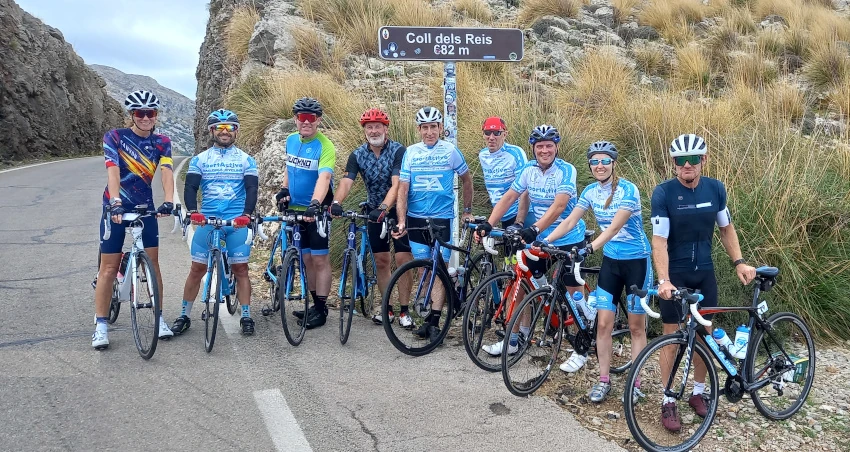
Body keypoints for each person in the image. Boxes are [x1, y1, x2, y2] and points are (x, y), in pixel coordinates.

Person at [650, 133, 756, 431]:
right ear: (674, 164)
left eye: (693, 160)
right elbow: (658, 241)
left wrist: (738, 262)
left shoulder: (716, 189)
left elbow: (726, 229)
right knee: (670, 336)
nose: (687, 165)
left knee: (704, 336)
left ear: (703, 160)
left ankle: (698, 393)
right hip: (677, 274)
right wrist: (664, 279)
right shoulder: (664, 193)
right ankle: (668, 399)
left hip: (705, 273)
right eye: (681, 161)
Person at [537, 141, 651, 402]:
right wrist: (545, 240)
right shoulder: (589, 191)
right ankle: (603, 380)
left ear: (613, 163)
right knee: (602, 324)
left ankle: (635, 384)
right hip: (611, 262)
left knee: (636, 327)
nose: (600, 166)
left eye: (605, 161)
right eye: (595, 161)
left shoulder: (627, 190)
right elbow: (569, 220)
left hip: (637, 262)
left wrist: (588, 248)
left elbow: (611, 230)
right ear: (590, 165)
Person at [476, 125, 586, 363]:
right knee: (521, 281)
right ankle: (514, 339)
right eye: (539, 147)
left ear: (556, 147)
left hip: (567, 238)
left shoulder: (566, 170)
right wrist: (488, 223)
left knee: (573, 293)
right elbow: (509, 197)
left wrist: (535, 228)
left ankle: (581, 347)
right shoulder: (528, 169)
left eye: (549, 146)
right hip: (540, 239)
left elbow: (559, 207)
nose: (544, 150)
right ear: (533, 149)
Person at [93, 90, 175, 349]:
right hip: (115, 208)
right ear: (132, 115)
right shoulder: (115, 137)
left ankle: (159, 317)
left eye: (150, 113)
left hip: (144, 208)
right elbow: (113, 171)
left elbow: (166, 172)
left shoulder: (162, 142)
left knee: (153, 264)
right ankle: (101, 325)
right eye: (139, 113)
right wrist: (115, 201)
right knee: (108, 268)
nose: (145, 118)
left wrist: (170, 200)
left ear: (156, 116)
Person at [171, 109, 259, 336]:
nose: (224, 132)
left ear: (236, 131)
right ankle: (184, 315)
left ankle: (246, 316)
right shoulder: (200, 160)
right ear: (211, 131)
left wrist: (247, 214)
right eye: (219, 128)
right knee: (196, 269)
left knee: (241, 268)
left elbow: (251, 188)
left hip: (236, 221)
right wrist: (192, 211)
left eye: (229, 127)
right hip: (208, 220)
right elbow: (190, 187)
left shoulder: (245, 159)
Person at [393, 106, 475, 344]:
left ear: (441, 128)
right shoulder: (411, 152)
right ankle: (430, 318)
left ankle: (436, 321)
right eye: (425, 128)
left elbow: (467, 180)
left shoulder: (450, 151)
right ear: (419, 130)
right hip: (416, 219)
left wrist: (467, 211)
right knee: (423, 270)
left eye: (433, 127)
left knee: (438, 268)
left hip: (442, 219)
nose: (429, 132)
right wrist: (401, 220)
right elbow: (403, 189)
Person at [330, 108, 414, 325]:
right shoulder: (357, 155)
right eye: (369, 127)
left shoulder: (398, 150)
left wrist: (385, 207)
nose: (374, 130)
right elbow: (347, 181)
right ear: (364, 130)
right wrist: (336, 203)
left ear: (386, 129)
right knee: (381, 260)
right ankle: (388, 308)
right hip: (373, 211)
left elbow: (397, 184)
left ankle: (405, 310)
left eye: (378, 126)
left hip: (398, 209)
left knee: (403, 258)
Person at [275, 97, 335, 329]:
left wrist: (315, 204)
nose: (306, 122)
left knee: (320, 259)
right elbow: (290, 169)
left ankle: (321, 308)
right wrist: (283, 189)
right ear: (296, 119)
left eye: (311, 118)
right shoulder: (291, 140)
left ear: (318, 120)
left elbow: (325, 177)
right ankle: (313, 303)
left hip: (316, 210)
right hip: (295, 209)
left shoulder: (325, 145)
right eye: (302, 117)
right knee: (306, 259)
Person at [475, 116, 530, 356]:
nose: (492, 137)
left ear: (505, 134)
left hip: (519, 218)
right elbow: (495, 193)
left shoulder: (515, 153)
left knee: (521, 277)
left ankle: (521, 332)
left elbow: (524, 188)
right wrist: (490, 220)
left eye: (497, 133)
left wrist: (518, 222)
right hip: (500, 217)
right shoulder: (482, 155)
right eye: (488, 132)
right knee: (514, 276)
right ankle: (520, 330)